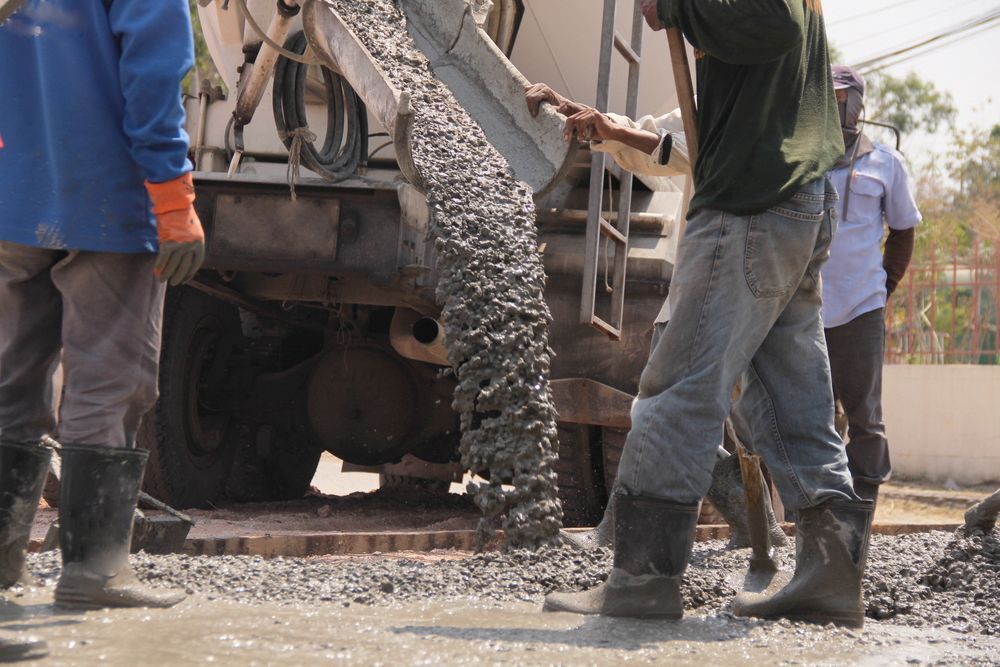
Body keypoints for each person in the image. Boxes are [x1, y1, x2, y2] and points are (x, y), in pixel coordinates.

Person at [540, 0, 874, 628]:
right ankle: (830, 573)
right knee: (789, 395)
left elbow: (767, 22)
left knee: (679, 389)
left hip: (748, 203)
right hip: (798, 198)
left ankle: (641, 579)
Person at [0, 0, 203, 628]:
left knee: (8, 376)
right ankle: (94, 569)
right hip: (108, 197)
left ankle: (3, 558)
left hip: (13, 193)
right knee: (108, 382)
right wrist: (173, 200)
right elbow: (152, 75)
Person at [525, 85, 788, 552]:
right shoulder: (714, 91)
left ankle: (622, 529)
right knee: (677, 404)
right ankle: (759, 527)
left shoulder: (763, 91)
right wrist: (583, 116)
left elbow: (699, 152)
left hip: (730, 268)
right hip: (706, 268)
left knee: (667, 400)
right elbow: (654, 139)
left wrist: (615, 132)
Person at [824, 65, 921, 506]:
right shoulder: (800, 161)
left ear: (858, 103)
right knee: (808, 418)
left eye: (842, 98)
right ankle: (818, 510)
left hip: (860, 309)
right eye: (827, 97)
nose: (834, 105)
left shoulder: (885, 162)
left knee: (864, 417)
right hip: (801, 311)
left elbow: (904, 230)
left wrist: (884, 287)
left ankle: (861, 510)